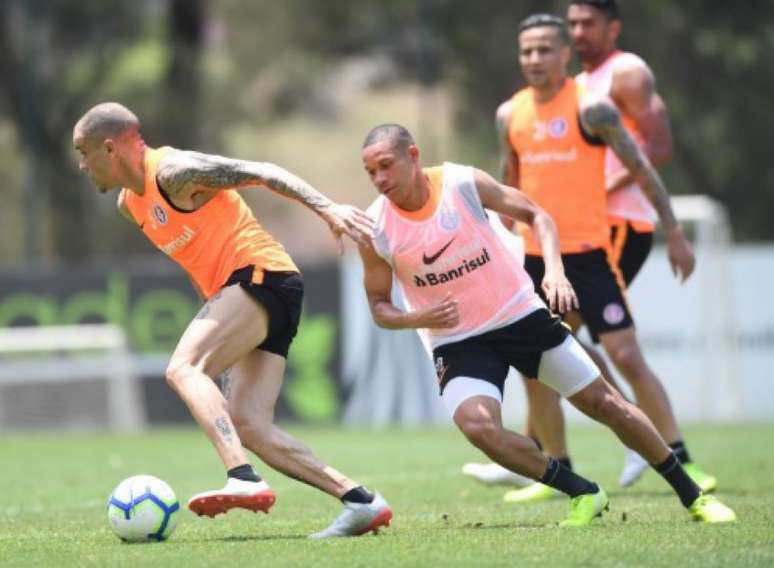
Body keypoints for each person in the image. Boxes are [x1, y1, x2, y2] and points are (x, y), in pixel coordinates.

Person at [357, 122, 735, 525]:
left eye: (385, 165)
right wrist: (418, 317)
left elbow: (537, 215)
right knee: (478, 427)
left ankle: (693, 497)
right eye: (371, 172)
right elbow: (380, 307)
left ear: (413, 156)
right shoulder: (374, 228)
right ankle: (583, 492)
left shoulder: (461, 183)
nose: (379, 179)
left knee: (607, 405)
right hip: (457, 339)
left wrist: (554, 271)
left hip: (518, 315)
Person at [72, 102, 392, 539]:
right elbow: (194, 259)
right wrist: (217, 324)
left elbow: (263, 170)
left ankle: (242, 476)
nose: (81, 164)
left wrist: (327, 209)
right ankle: (360, 501)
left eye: (83, 152)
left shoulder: (175, 171)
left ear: (109, 147)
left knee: (182, 369)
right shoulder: (130, 205)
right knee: (249, 424)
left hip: (262, 276)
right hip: (252, 291)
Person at [466, 13, 719, 507]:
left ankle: (680, 456)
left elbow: (642, 167)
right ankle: (556, 469)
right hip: (536, 259)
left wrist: (674, 232)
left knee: (625, 355)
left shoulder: (593, 108)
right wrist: (501, 239)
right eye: (527, 52)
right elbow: (505, 182)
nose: (534, 59)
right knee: (535, 368)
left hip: (590, 257)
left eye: (544, 50)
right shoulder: (508, 114)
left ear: (565, 56)